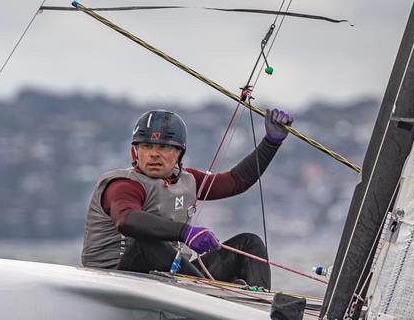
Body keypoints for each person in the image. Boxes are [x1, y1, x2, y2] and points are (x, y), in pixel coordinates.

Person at [80, 108, 293, 289]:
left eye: (163, 147)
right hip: (116, 281)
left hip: (173, 280)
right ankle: (210, 298)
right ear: (135, 152)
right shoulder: (123, 184)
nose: (154, 154)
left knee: (249, 243)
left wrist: (271, 143)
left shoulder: (188, 180)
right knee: (149, 241)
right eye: (146, 147)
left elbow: (236, 181)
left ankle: (259, 311)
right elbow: (127, 220)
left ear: (179, 153)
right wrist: (186, 233)